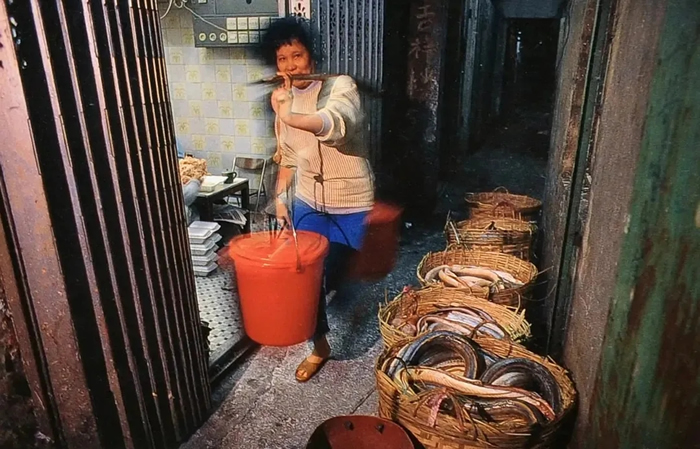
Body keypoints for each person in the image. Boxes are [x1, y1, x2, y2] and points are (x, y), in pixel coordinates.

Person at [260, 17, 374, 382]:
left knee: (343, 274)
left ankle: (337, 293)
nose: (291, 66)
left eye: (297, 55)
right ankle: (320, 346)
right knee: (308, 279)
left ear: (312, 56)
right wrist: (281, 198)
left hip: (351, 200)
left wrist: (290, 114)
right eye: (282, 59)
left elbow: (336, 124)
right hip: (308, 201)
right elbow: (289, 156)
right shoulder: (281, 100)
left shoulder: (341, 85)